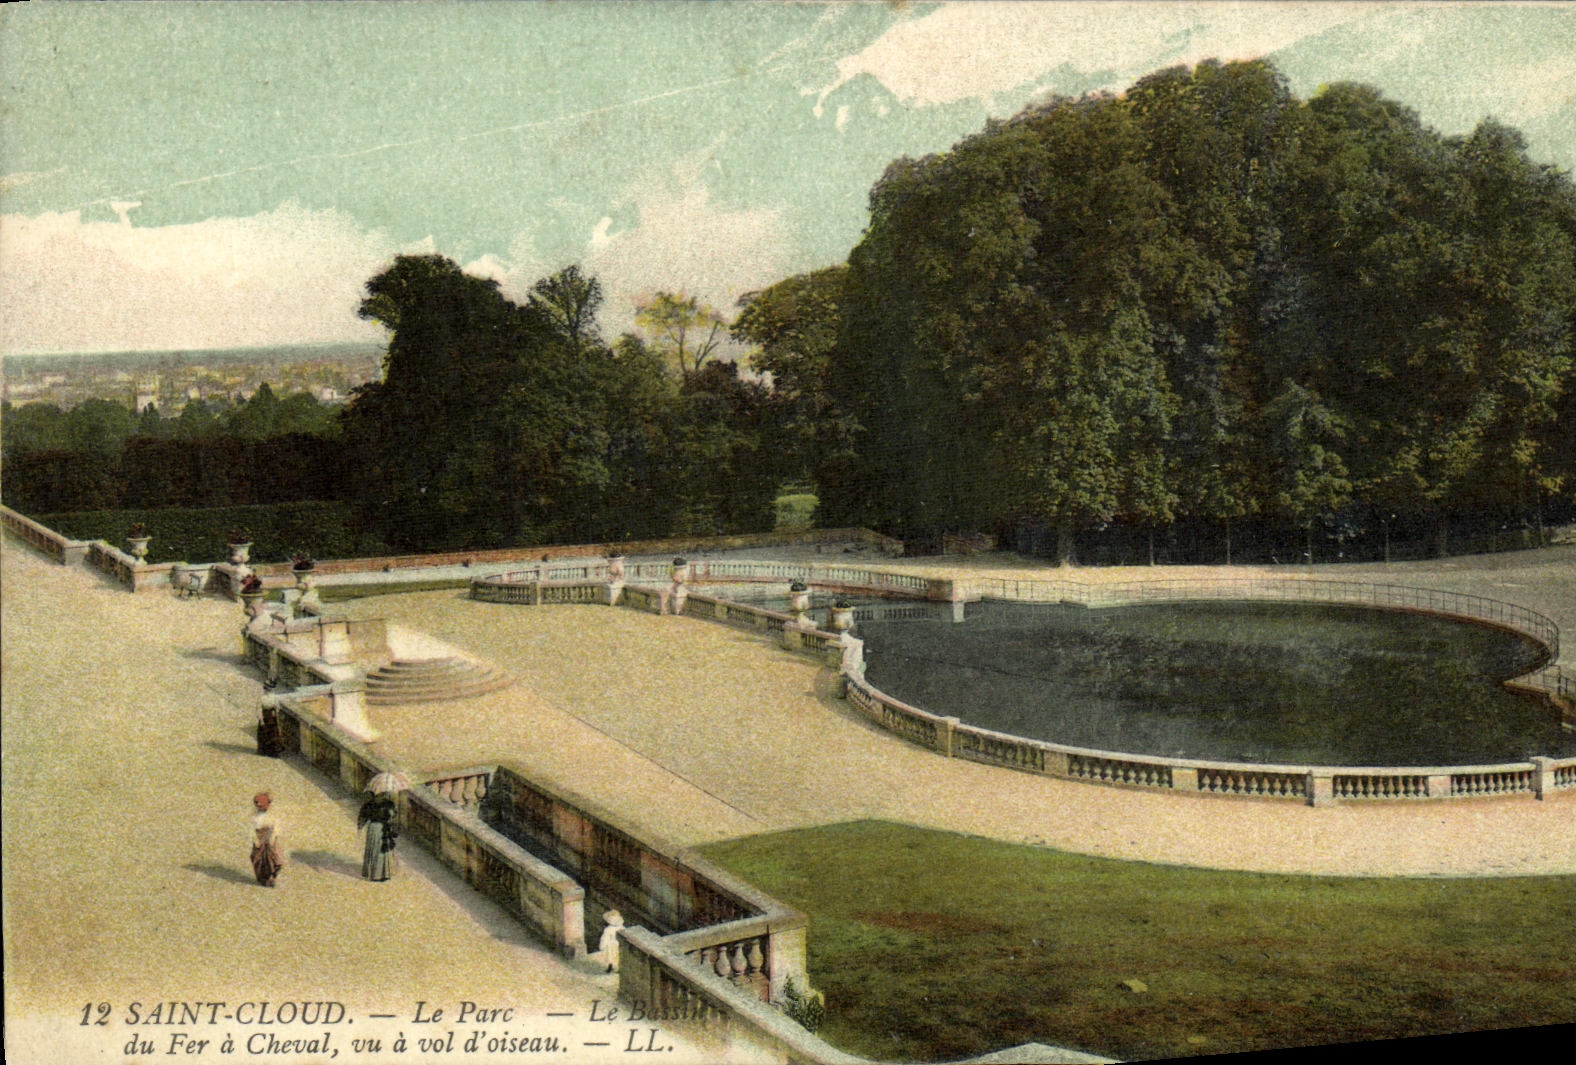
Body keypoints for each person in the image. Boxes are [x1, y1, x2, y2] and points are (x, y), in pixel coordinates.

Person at [356, 792, 399, 881]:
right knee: (381, 850)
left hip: (374, 828)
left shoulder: (369, 804)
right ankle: (382, 874)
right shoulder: (388, 804)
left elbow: (362, 817)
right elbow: (394, 817)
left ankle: (373, 873)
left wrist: (360, 826)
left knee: (375, 849)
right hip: (382, 827)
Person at [249, 792, 284, 887]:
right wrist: (255, 839)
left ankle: (272, 876)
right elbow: (252, 827)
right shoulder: (254, 814)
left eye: (261, 803)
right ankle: (263, 878)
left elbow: (276, 825)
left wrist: (273, 837)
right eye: (256, 803)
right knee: (257, 858)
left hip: (270, 835)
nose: (258, 805)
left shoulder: (273, 814)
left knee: (275, 859)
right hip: (259, 836)